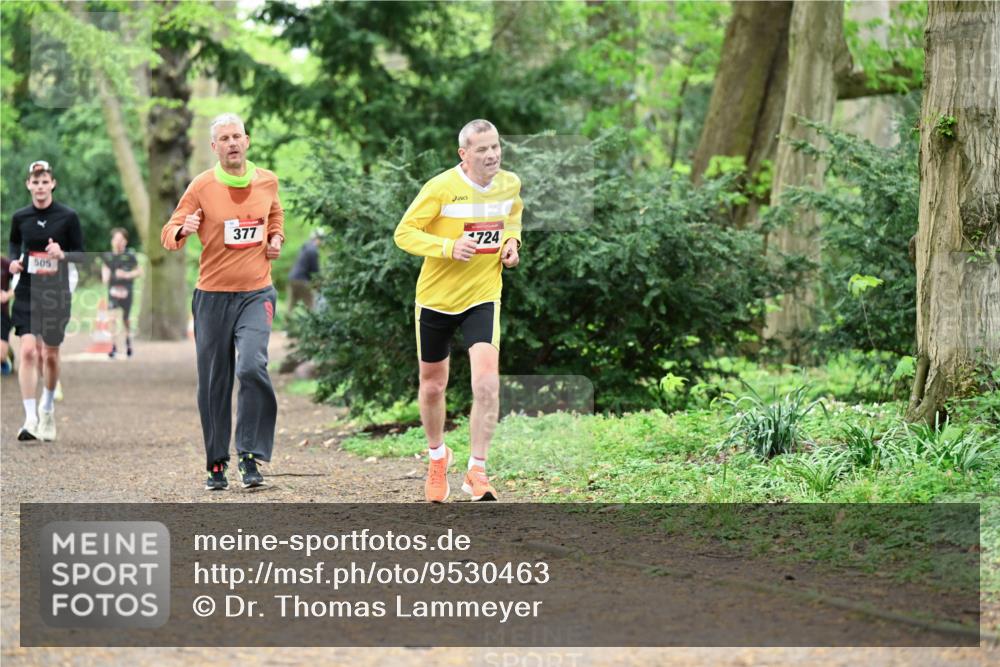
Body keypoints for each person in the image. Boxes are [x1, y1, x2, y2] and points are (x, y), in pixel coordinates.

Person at [394, 119, 522, 503]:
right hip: (436, 299)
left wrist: (512, 242)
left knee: (486, 384)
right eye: (482, 149)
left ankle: (477, 470)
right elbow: (404, 233)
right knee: (433, 386)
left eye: (495, 146)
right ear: (464, 154)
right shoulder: (441, 187)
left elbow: (512, 215)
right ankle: (437, 457)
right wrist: (449, 248)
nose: (492, 154)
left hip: (483, 295)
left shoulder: (509, 183)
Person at [161, 113, 284, 491]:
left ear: (247, 141)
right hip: (212, 297)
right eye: (223, 139)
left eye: (237, 136)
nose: (231, 143)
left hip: (256, 292)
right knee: (215, 381)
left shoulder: (267, 181)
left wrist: (275, 237)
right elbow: (168, 234)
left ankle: (250, 455)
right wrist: (185, 228)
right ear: (214, 147)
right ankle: (216, 462)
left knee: (252, 366)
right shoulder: (200, 187)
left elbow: (274, 213)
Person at [8, 160, 85, 441]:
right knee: (28, 351)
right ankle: (30, 418)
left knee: (49, 355)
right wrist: (15, 263)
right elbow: (15, 246)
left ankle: (48, 407)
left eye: (44, 182)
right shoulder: (20, 217)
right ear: (28, 184)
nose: (40, 187)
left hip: (55, 292)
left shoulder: (68, 216)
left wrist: (62, 253)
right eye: (35, 182)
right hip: (28, 289)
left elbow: (81, 254)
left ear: (52, 184)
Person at [101, 227, 143, 358]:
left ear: (125, 241)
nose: (118, 242)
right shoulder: (108, 257)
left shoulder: (130, 256)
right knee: (112, 318)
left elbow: (139, 272)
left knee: (126, 319)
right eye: (116, 239)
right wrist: (105, 276)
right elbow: (105, 273)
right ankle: (113, 347)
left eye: (121, 239)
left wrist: (126, 275)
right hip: (113, 292)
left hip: (127, 291)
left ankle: (128, 342)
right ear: (112, 241)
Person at [287, 229, 322, 314]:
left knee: (291, 305)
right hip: (302, 280)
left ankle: (286, 324)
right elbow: (315, 271)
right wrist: (319, 284)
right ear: (317, 239)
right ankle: (313, 325)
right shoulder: (313, 251)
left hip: (292, 278)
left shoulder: (305, 247)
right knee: (311, 304)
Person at [1, 256, 13, 376]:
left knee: (1, 356)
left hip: (2, 314)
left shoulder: (5, 263)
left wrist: (7, 294)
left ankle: (7, 355)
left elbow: (20, 282)